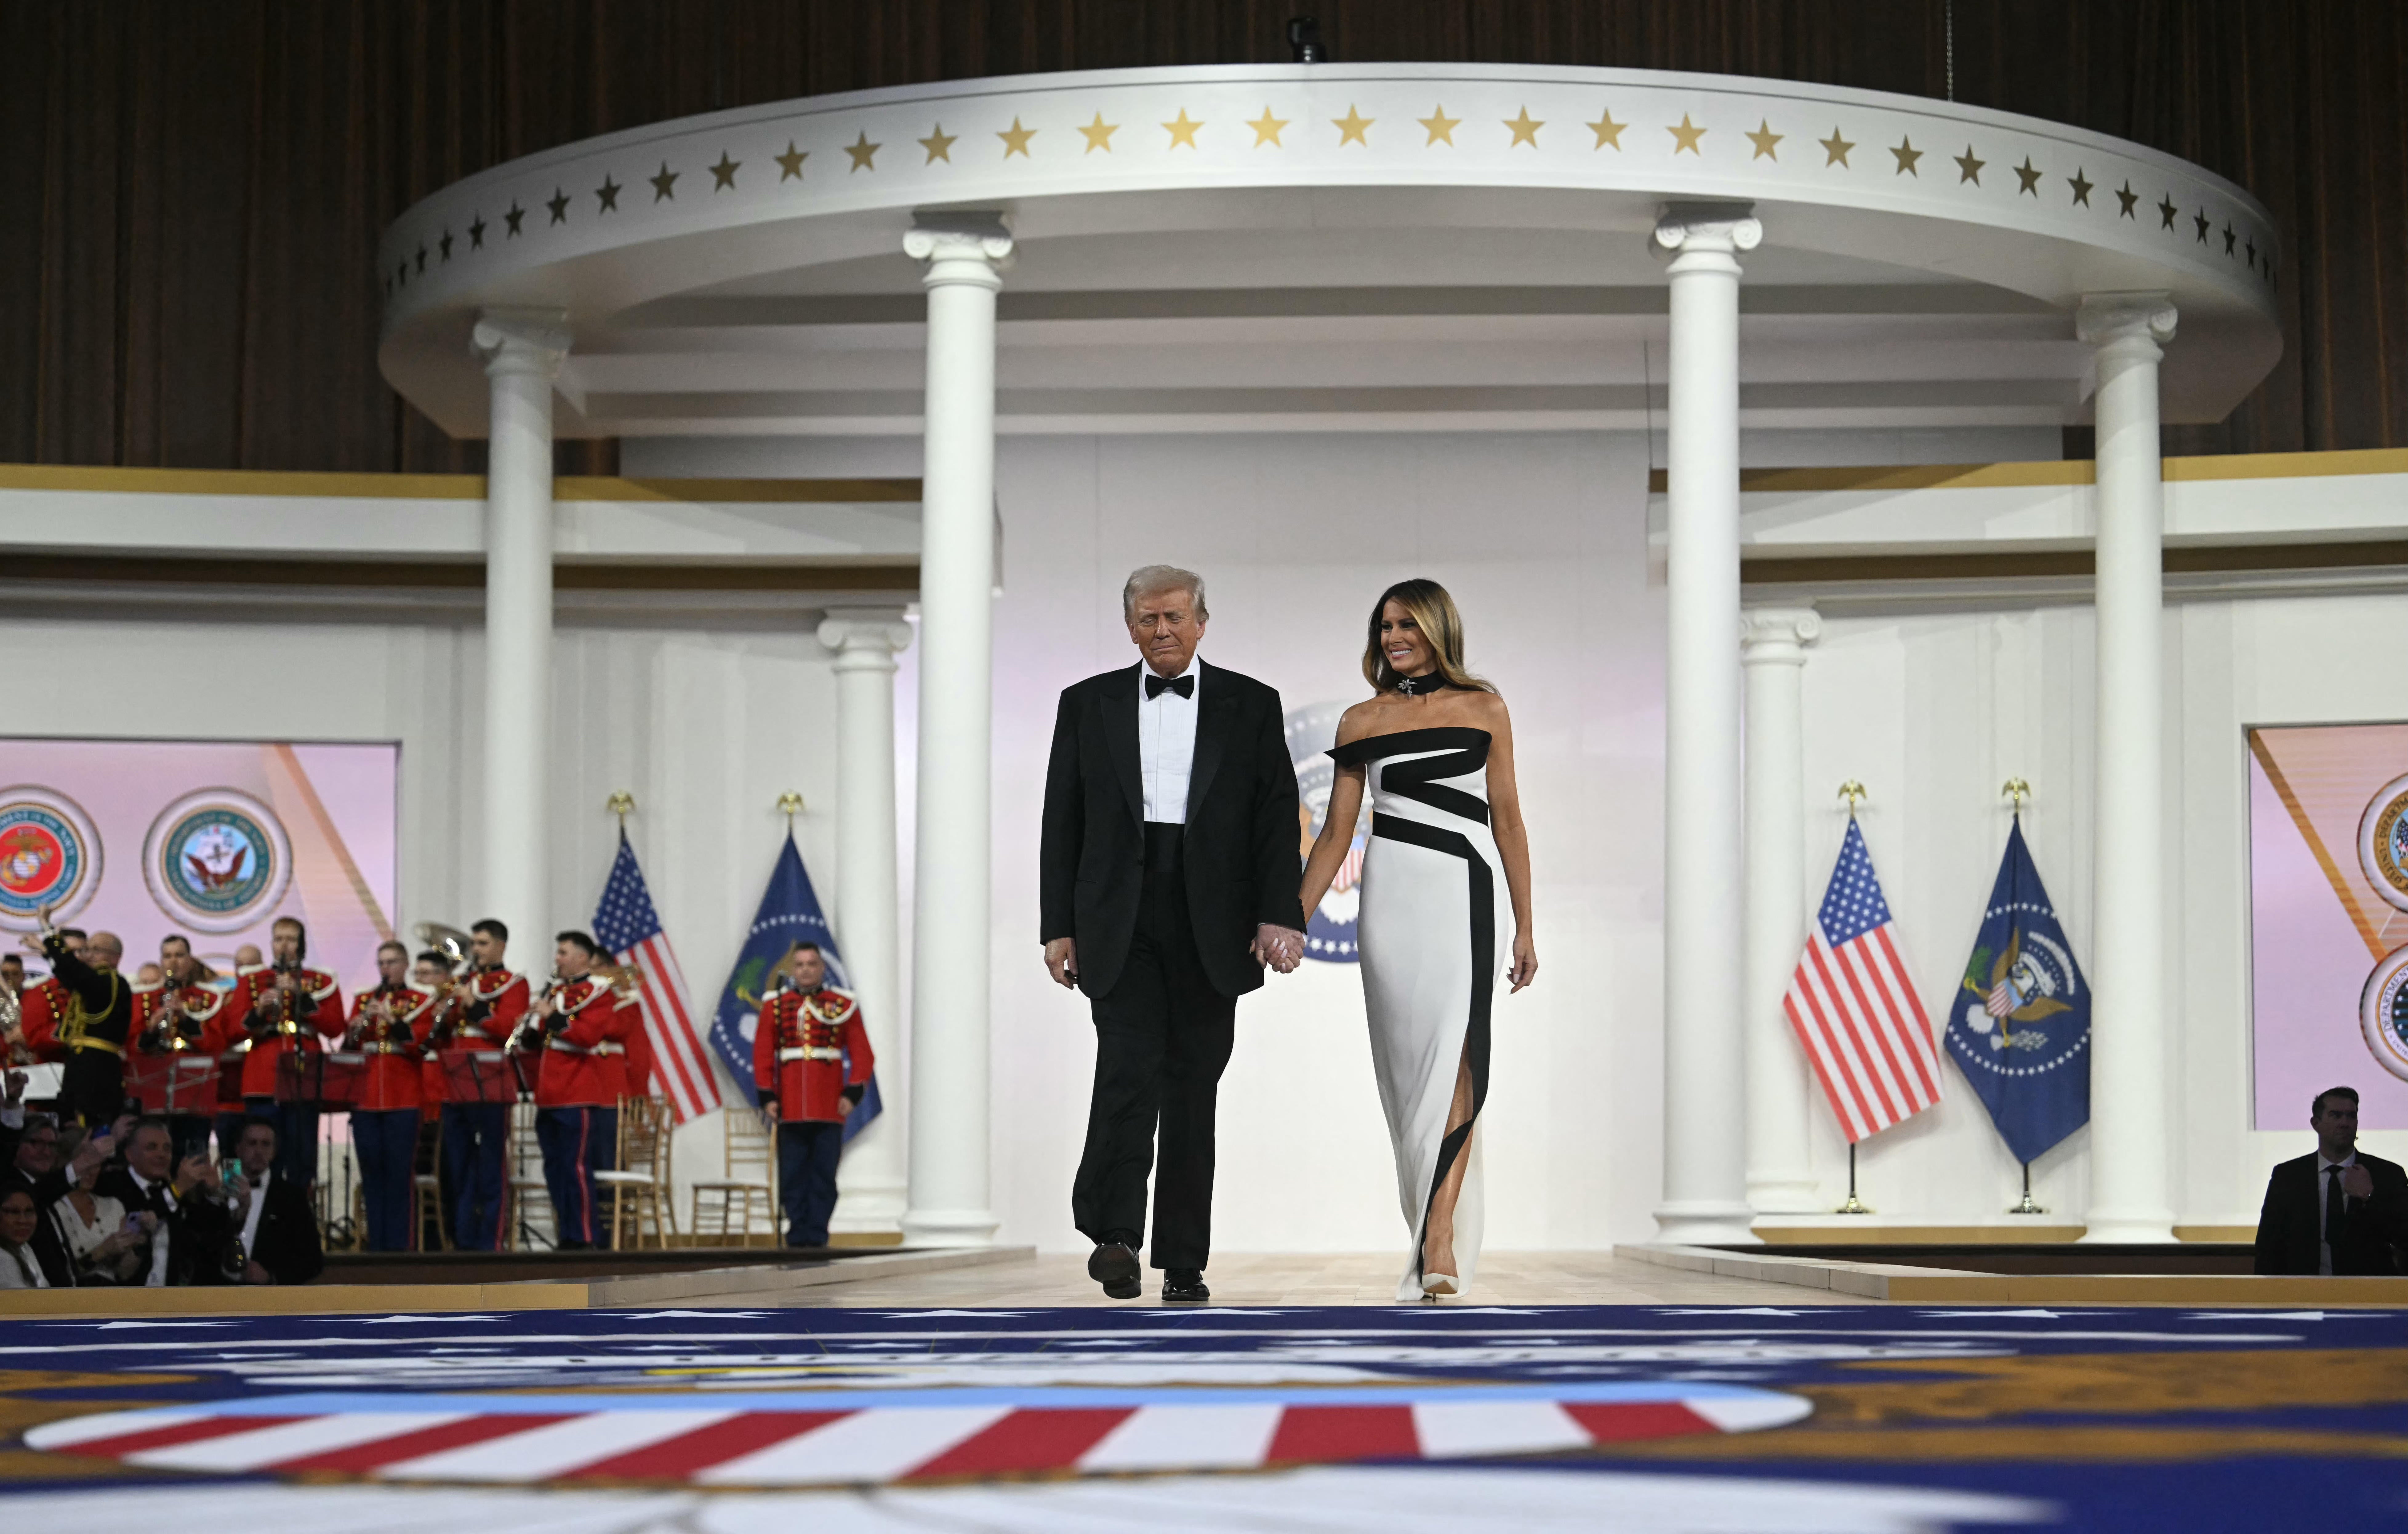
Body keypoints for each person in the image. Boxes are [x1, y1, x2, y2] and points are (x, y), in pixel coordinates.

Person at [1040, 564, 1307, 1303]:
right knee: (1125, 1072)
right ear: (1130, 628)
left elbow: (1274, 816)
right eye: (1148, 619)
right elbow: (1062, 819)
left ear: (1201, 623)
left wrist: (1278, 911)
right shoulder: (1086, 702)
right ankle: (1116, 1236)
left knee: (1193, 1086)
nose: (1162, 631)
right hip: (1117, 915)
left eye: (1175, 617)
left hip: (1212, 920)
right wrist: (1058, 926)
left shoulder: (1251, 704)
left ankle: (1184, 1260)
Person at [1300, 579, 1538, 1302]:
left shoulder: (1485, 708)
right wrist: (1292, 916)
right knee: (1408, 1074)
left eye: (1406, 624)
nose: (1394, 637)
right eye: (1384, 627)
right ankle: (1428, 1222)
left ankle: (1438, 1235)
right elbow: (1336, 834)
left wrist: (1526, 924)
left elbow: (1508, 819)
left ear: (1438, 629)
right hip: (1391, 900)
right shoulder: (1360, 719)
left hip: (1466, 892)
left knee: (1458, 1054)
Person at [753, 942, 872, 1249]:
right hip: (790, 1104)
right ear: (793, 970)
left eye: (812, 964)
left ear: (822, 968)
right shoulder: (776, 1005)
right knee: (792, 1173)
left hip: (829, 1104)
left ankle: (817, 1234)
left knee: (823, 1174)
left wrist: (852, 1093)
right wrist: (768, 1095)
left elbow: (863, 1055)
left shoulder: (842, 1005)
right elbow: (763, 1054)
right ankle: (797, 1233)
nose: (806, 970)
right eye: (800, 964)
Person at [528, 930, 636, 1250]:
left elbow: (587, 1036)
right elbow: (547, 1040)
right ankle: (567, 1233)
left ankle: (586, 1236)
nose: (557, 959)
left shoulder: (599, 992)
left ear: (582, 958)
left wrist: (551, 1017)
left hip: (576, 1091)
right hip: (548, 1094)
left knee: (576, 1168)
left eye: (563, 953)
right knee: (554, 1168)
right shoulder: (557, 991)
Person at [432, 919, 528, 1251]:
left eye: (483, 943)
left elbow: (508, 1029)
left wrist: (473, 1005)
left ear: (501, 946)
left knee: (491, 1166)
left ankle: (490, 1242)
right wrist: (441, 1014)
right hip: (456, 1082)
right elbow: (444, 1035)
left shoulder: (514, 983)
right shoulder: (463, 981)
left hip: (491, 1084)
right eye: (474, 943)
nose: (476, 950)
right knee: (457, 1166)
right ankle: (463, 1239)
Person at [234, 917, 345, 1188]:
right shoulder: (253, 980)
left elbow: (334, 1028)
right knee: (260, 1156)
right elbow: (232, 1031)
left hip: (303, 1077)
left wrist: (301, 996)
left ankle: (299, 1210)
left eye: (292, 940)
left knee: (302, 1156)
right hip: (263, 1078)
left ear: (302, 946)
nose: (284, 946)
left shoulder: (320, 981)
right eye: (279, 939)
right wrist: (259, 1011)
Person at [2254, 1085, 2408, 1275]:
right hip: (2304, 1288)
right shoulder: (2288, 1176)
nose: (2345, 1123)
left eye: (2351, 1116)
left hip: (2369, 1289)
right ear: (2316, 1123)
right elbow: (2268, 1245)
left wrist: (2369, 1197)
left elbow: (2404, 1237)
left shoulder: (2387, 1173)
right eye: (2336, 1116)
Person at [347, 940, 432, 1251]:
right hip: (366, 1098)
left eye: (392, 962)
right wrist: (356, 1028)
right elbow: (350, 1047)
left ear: (406, 965)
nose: (386, 969)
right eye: (381, 963)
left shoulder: (421, 1001)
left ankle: (399, 1249)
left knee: (399, 1176)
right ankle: (377, 1247)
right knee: (371, 1173)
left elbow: (419, 1043)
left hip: (403, 1097)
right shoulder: (363, 1000)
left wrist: (391, 1020)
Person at [93, 1116, 236, 1286]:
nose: (162, 1155)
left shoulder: (175, 1189)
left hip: (171, 1297)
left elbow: (214, 1236)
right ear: (130, 1154)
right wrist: (177, 1189)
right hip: (123, 1296)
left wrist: (213, 1193)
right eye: (151, 1147)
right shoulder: (113, 1184)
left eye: (167, 1148)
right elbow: (142, 1215)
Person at [24, 912, 134, 1126]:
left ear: (115, 958)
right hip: (83, 1067)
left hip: (96, 1071)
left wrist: (48, 931)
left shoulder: (111, 982)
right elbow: (71, 975)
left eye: (96, 950)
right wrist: (49, 953)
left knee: (89, 1125)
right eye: (87, 950)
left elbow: (74, 973)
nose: (88, 956)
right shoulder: (95, 983)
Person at [225, 1119, 322, 1285]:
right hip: (216, 1294)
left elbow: (313, 1261)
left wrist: (272, 1277)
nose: (259, 1151)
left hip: (266, 1296)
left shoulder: (293, 1198)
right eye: (252, 1143)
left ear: (274, 1152)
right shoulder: (219, 1194)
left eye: (266, 1145)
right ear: (238, 1149)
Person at [50, 1161, 149, 1286]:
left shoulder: (114, 1206)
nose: (91, 1173)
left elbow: (123, 1274)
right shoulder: (54, 1211)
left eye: (96, 1166)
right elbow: (62, 1275)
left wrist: (139, 1244)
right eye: (86, 1165)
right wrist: (102, 1251)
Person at [0, 1186, 60, 1289]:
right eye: (14, 1212)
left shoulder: (25, 1248)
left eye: (29, 1212)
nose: (23, 1221)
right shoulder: (3, 1258)